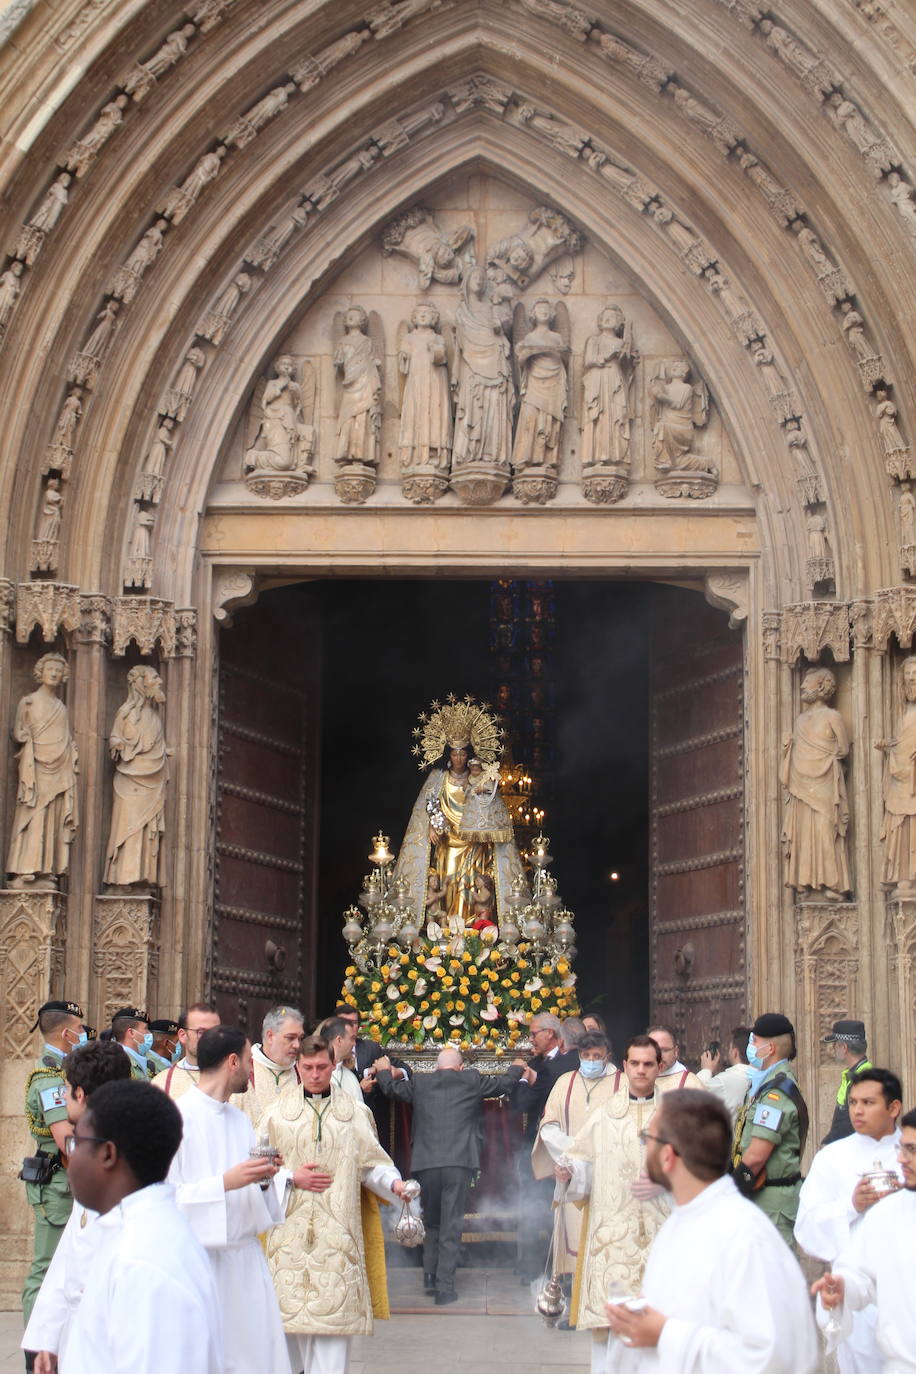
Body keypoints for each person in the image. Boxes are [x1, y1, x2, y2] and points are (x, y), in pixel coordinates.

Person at [604, 1088, 818, 1372]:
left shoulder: (744, 1236)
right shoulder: (680, 1222)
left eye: (648, 1139)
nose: (645, 1148)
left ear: (668, 1156)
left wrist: (665, 1333)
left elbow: (771, 1356)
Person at [260, 1035, 411, 1374]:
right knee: (285, 1348)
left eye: (322, 1067)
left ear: (335, 1065)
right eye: (308, 1067)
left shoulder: (354, 1113)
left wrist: (395, 1183)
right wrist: (290, 1178)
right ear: (297, 1068)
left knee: (331, 1348)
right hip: (289, 1244)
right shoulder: (276, 1115)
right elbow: (258, 1170)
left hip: (336, 1246)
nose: (315, 1074)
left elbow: (371, 1164)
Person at [61, 1079, 223, 1373]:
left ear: (108, 1154)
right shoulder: (131, 1233)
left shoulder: (146, 1261)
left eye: (77, 1142)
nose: (70, 1159)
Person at [169, 1026, 291, 1374]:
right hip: (200, 1262)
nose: (254, 1070)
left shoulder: (240, 1121)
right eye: (251, 1061)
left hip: (245, 1263)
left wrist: (264, 1178)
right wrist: (224, 1183)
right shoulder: (177, 1118)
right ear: (232, 1062)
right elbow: (164, 1197)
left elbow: (252, 1193)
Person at [376, 1046, 524, 1303]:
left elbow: (391, 1090)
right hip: (458, 1162)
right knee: (451, 1224)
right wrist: (518, 1066)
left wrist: (382, 1073)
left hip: (426, 1163)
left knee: (431, 1220)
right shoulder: (470, 1080)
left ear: (436, 1067)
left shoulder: (421, 1082)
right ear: (461, 1067)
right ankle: (445, 1287)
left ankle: (430, 1275)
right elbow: (504, 1085)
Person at [556, 1036, 670, 1370]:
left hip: (662, 1237)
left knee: (661, 1329)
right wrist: (569, 1171)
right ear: (624, 1066)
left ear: (659, 1067)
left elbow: (696, 1171)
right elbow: (581, 1164)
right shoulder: (605, 1115)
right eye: (634, 1063)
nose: (640, 1070)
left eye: (648, 1064)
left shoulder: (676, 1117)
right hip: (613, 1243)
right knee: (610, 1334)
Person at [21, 1038, 131, 1372]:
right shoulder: (90, 1150)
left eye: (67, 1088)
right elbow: (70, 1254)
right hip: (81, 1330)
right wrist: (47, 1338)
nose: (64, 1094)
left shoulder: (127, 1152)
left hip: (117, 1329)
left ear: (81, 1094)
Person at [795, 1068, 903, 1374]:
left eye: (868, 1102)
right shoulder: (833, 1158)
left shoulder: (907, 1152)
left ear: (893, 1107)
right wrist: (851, 1206)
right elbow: (807, 1226)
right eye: (853, 1102)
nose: (857, 1110)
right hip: (856, 1294)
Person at [812, 1108, 916, 1372]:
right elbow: (861, 1275)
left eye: (912, 1150)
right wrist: (841, 1288)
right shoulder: (889, 1213)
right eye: (901, 1149)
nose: (902, 1160)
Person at [20, 1000, 84, 1342]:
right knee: (46, 1268)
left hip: (66, 1185)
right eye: (79, 1029)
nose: (83, 1034)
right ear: (66, 1033)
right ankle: (35, 1347)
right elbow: (67, 1141)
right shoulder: (49, 1080)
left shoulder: (61, 1074)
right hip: (57, 1186)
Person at [532, 1030, 617, 1279]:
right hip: (571, 1172)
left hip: (607, 1173)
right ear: (579, 1055)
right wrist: (571, 1154)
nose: (591, 1060)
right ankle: (572, 1304)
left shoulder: (622, 1084)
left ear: (607, 1056)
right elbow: (548, 1126)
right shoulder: (565, 1082)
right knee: (572, 1238)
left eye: (596, 1056)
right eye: (586, 1055)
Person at [511, 1012, 579, 1282]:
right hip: (536, 1146)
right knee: (531, 1206)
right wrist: (524, 1079)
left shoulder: (569, 1063)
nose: (530, 1039)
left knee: (560, 1210)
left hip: (563, 1146)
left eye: (534, 1033)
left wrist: (532, 1080)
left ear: (550, 1033)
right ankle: (529, 1268)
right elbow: (521, 1104)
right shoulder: (536, 1064)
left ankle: (558, 1268)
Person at [732, 1012, 808, 1245]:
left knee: (774, 1276)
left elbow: (756, 1156)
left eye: (754, 1042)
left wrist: (730, 1191)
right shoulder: (764, 1084)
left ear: (770, 1048)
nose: (751, 1047)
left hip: (771, 1204)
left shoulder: (776, 1093)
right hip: (759, 1199)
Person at [229, 1003, 304, 1126]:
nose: (297, 1045)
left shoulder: (303, 1072)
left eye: (300, 1038)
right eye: (290, 1038)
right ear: (270, 1036)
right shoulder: (243, 1068)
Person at [152, 1001, 221, 1099]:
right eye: (201, 1032)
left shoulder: (234, 1081)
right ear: (183, 1035)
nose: (210, 1037)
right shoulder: (162, 1083)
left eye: (215, 1032)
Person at [822, 1019, 872, 1144]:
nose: (833, 1049)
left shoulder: (862, 1078)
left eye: (835, 1045)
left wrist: (830, 1146)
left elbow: (850, 1123)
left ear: (843, 1047)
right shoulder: (855, 1074)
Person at [697, 1025, 751, 1123]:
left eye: (730, 1048)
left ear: (735, 1052)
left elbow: (694, 1093)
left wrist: (706, 1070)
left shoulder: (724, 1081)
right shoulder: (759, 1075)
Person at [314, 1015, 361, 1100]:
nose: (354, 1044)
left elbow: (361, 1111)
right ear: (339, 1040)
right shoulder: (314, 1074)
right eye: (352, 1039)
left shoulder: (351, 1077)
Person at [646, 1024, 701, 1092]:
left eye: (664, 1050)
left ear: (676, 1052)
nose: (658, 1055)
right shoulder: (633, 1079)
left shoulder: (691, 1084)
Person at [110, 1007, 152, 1080]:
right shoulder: (118, 1062)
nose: (149, 1033)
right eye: (145, 1029)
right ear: (132, 1033)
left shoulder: (143, 1061)